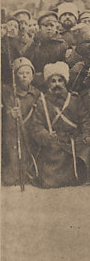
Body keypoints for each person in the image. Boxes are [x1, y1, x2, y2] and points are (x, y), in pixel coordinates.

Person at [31, 62, 90, 187]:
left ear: (65, 82)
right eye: (53, 81)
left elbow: (85, 119)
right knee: (51, 166)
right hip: (55, 141)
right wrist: (46, 136)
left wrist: (87, 134)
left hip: (75, 140)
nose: (57, 84)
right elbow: (36, 126)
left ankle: (86, 177)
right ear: (48, 84)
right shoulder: (42, 102)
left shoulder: (74, 99)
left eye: (60, 80)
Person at [1, 57, 39, 186]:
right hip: (15, 130)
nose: (24, 76)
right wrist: (11, 114)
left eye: (27, 73)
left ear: (32, 76)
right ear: (15, 76)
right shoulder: (9, 94)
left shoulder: (37, 94)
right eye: (20, 73)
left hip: (33, 129)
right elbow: (6, 112)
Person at [23, 10, 68, 75]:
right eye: (46, 26)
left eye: (52, 25)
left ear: (56, 27)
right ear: (40, 28)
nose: (49, 28)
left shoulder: (61, 44)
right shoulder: (34, 43)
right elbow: (26, 60)